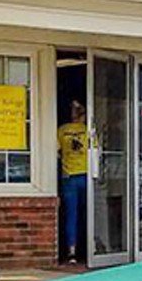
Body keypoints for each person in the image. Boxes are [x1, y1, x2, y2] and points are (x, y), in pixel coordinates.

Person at [57, 100, 88, 264]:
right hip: (86, 175)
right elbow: (96, 153)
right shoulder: (88, 130)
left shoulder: (62, 130)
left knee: (71, 215)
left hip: (69, 176)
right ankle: (88, 248)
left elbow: (55, 151)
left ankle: (72, 252)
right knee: (88, 214)